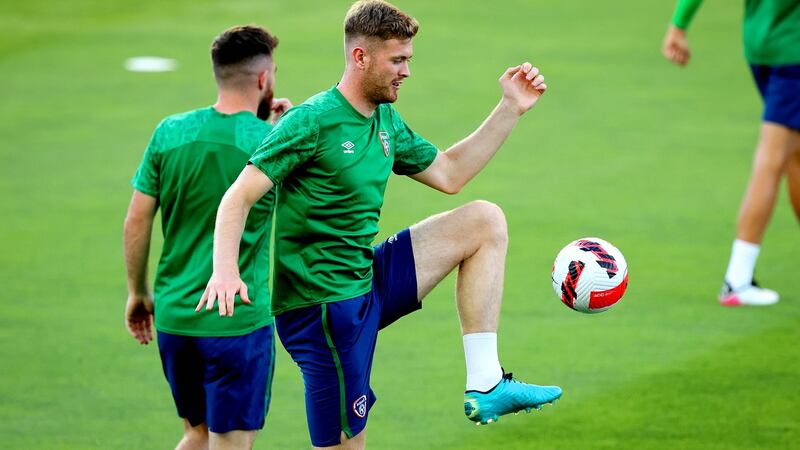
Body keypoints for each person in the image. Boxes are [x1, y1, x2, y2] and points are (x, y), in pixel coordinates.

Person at [197, 1, 561, 448]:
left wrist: (510, 108)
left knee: (484, 221)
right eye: (398, 60)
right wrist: (224, 270)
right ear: (360, 57)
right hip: (322, 309)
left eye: (408, 58)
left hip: (365, 279)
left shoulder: (384, 118)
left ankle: (486, 382)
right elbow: (238, 196)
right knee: (349, 444)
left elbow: (449, 174)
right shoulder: (310, 121)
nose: (406, 70)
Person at [123, 25, 291, 450]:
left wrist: (137, 293)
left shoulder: (169, 133)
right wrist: (278, 130)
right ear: (263, 79)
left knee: (196, 434)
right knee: (231, 441)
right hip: (235, 321)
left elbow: (136, 221)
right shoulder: (271, 142)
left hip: (176, 319)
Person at [662, 0, 800, 306]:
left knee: (795, 154)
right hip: (793, 52)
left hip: (759, 45)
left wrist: (679, 23)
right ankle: (737, 279)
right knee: (773, 157)